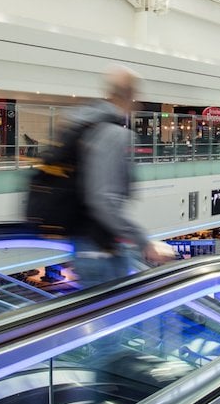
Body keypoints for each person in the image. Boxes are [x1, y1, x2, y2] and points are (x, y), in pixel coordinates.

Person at [68, 67, 175, 285]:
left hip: (86, 244)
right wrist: (143, 242)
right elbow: (103, 198)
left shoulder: (85, 123)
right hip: (101, 249)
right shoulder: (114, 134)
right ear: (131, 95)